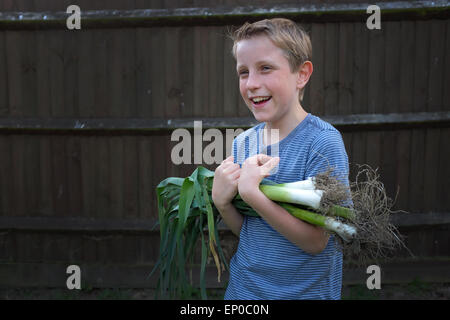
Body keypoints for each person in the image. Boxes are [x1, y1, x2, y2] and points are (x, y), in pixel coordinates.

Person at [211, 18, 350, 299]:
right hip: (244, 292)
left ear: (301, 74)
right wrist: (222, 203)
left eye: (265, 68)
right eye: (243, 72)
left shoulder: (322, 142)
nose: (251, 83)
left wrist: (254, 195)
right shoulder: (243, 143)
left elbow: (316, 242)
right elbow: (253, 232)